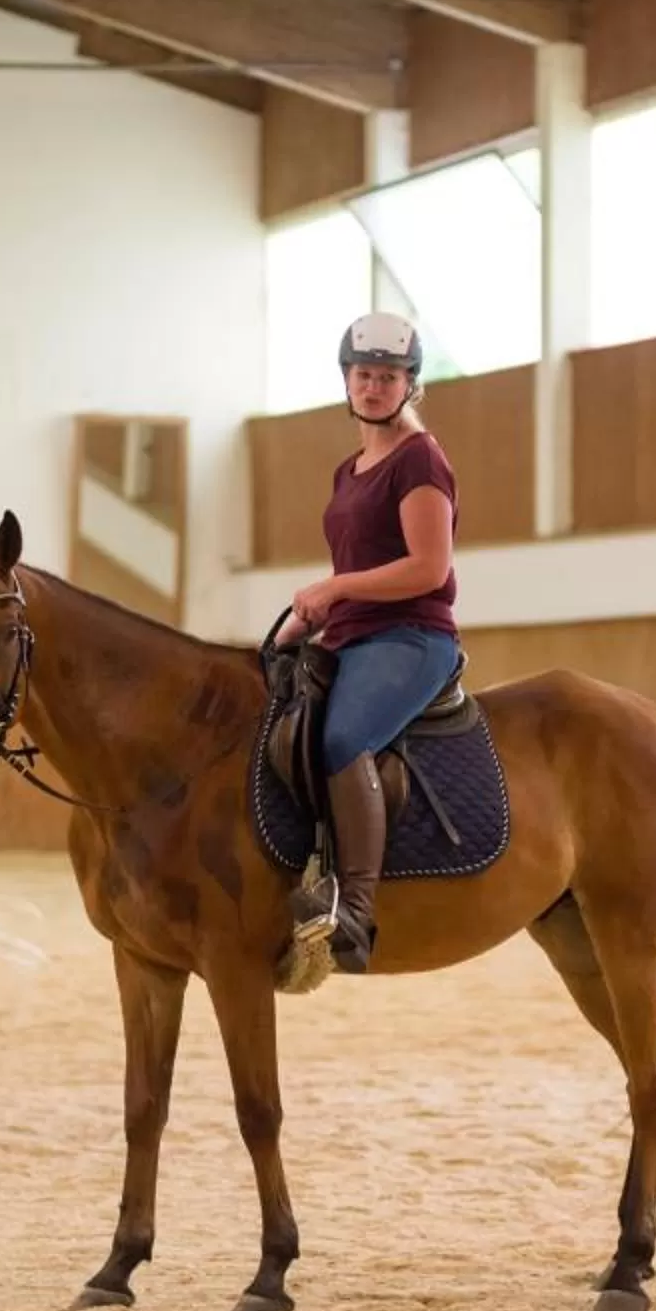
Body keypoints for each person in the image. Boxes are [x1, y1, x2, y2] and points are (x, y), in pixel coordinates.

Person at [277, 311, 459, 976]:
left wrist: (336, 587)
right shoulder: (349, 469)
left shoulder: (420, 459)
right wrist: (316, 615)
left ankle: (354, 906)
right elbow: (361, 566)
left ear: (410, 385)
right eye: (364, 375)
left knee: (340, 736)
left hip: (412, 636)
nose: (375, 387)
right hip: (352, 633)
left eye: (388, 377)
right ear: (347, 381)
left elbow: (427, 568)